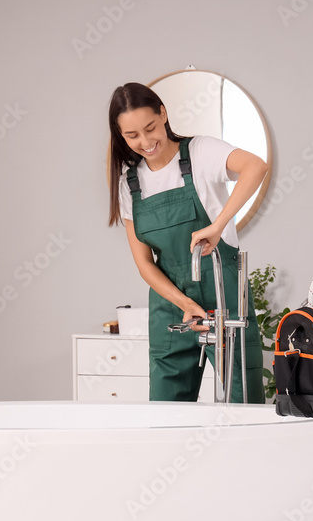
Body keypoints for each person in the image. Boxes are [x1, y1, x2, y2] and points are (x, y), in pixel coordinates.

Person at [107, 82, 268, 403]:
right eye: (132, 136)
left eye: (150, 128)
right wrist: (186, 305)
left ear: (163, 114)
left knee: (242, 404)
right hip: (171, 307)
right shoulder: (130, 183)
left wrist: (218, 225)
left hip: (225, 295)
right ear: (120, 135)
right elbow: (144, 265)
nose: (145, 141)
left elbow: (255, 166)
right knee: (167, 413)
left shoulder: (201, 152)